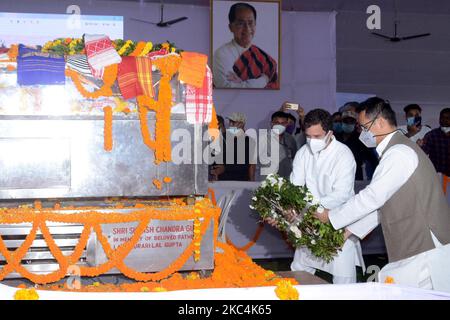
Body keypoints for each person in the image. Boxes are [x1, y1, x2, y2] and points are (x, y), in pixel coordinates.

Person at [315, 97, 450, 292]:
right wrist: (350, 232)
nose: (361, 133)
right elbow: (383, 204)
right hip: (417, 244)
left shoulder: (398, 153)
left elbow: (372, 197)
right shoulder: (397, 149)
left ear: (379, 122)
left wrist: (331, 216)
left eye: (363, 127)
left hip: (425, 244)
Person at [283, 109, 376, 284]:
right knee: (298, 272)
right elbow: (295, 185)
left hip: (338, 221)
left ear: (330, 133)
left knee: (343, 279)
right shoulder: (303, 152)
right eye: (308, 136)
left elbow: (341, 194)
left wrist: (309, 208)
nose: (311, 141)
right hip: (309, 221)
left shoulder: (344, 155)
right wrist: (292, 207)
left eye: (317, 137)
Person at [213, 2, 278, 89]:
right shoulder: (221, 54)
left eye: (250, 23)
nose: (247, 29)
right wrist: (263, 80)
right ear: (231, 27)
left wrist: (241, 82)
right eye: (241, 23)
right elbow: (226, 87)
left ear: (255, 25)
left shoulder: (263, 58)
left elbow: (273, 86)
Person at [210, 112, 256, 181]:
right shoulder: (223, 138)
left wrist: (224, 168)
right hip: (221, 182)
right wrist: (215, 170)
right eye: (230, 122)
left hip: (240, 183)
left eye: (233, 122)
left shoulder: (249, 141)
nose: (230, 124)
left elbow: (245, 164)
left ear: (242, 124)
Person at [335, 110, 379, 180]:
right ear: (341, 122)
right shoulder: (335, 137)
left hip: (356, 176)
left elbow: (372, 158)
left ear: (355, 123)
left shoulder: (361, 138)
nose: (348, 124)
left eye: (351, 121)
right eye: (346, 121)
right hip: (337, 174)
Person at [259, 111, 298, 179]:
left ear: (286, 124)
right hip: (268, 181)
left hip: (286, 180)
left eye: (283, 123)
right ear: (272, 123)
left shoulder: (290, 139)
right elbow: (253, 163)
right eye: (277, 123)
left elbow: (294, 158)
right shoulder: (263, 139)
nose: (279, 125)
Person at [418, 108, 450, 177]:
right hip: (436, 176)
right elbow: (422, 153)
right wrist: (419, 147)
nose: (444, 120)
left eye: (447, 118)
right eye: (442, 118)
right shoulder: (431, 135)